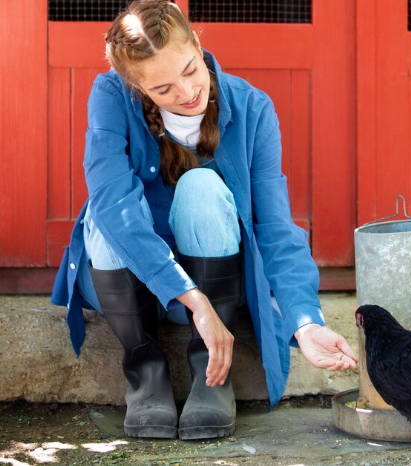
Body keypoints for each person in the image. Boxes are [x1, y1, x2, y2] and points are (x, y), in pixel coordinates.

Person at [51, 0, 358, 441]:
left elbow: (275, 228)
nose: (188, 92)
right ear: (136, 88)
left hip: (212, 289)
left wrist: (304, 321)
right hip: (134, 289)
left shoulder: (252, 108)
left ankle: (211, 375)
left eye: (191, 70)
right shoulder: (110, 96)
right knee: (104, 216)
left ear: (197, 43)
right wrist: (195, 301)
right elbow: (113, 200)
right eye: (163, 89)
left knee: (202, 185)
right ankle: (146, 371)